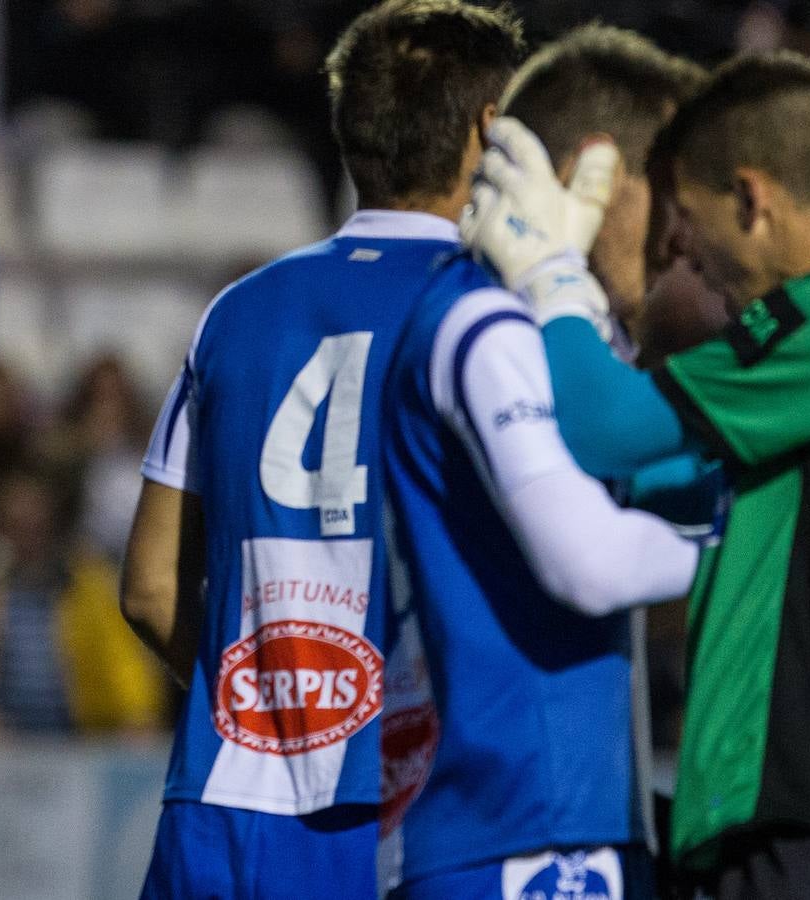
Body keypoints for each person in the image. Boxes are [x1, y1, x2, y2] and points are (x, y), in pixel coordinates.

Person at [469, 50, 810, 899]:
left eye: (690, 225)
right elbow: (694, 486)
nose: (686, 260)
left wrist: (551, 277)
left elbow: (609, 432)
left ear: (750, 200)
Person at [118, 2, 526, 896]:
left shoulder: (237, 312)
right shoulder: (495, 319)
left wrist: (259, 704)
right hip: (404, 814)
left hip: (219, 809)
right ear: (490, 129)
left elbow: (149, 591)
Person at [380, 26, 708, 899]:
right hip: (512, 841)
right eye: (673, 190)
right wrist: (779, 555)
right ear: (595, 175)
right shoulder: (485, 326)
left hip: (577, 828)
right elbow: (588, 563)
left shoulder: (577, 344)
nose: (686, 235)